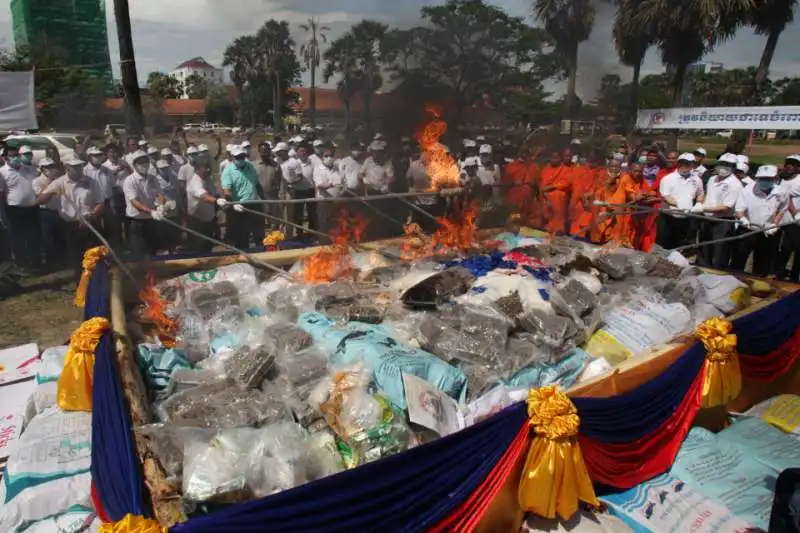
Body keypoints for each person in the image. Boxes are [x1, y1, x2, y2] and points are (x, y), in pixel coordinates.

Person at [36, 156, 104, 276]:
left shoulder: (91, 182)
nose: (78, 169)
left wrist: (93, 214)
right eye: (74, 167)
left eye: (79, 166)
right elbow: (40, 200)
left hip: (89, 223)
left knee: (94, 255)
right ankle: (81, 282)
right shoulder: (59, 182)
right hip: (70, 226)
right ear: (67, 168)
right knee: (77, 257)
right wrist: (51, 192)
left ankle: (96, 280)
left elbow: (100, 202)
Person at [730, 165, 786, 276]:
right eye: (762, 178)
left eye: (768, 179)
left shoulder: (781, 192)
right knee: (738, 261)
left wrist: (775, 224)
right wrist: (742, 218)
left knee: (763, 265)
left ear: (775, 178)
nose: (764, 181)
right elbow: (739, 209)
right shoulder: (747, 190)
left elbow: (781, 210)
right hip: (747, 230)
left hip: (767, 232)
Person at [693, 153, 742, 269]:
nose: (724, 167)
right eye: (722, 164)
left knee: (719, 252)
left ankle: (718, 275)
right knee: (704, 249)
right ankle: (701, 272)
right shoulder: (712, 179)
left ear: (734, 167)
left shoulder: (735, 184)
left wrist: (703, 208)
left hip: (722, 221)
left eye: (728, 165)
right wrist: (700, 204)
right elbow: (708, 195)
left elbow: (726, 207)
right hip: (707, 218)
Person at [1, 144, 41, 270]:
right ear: (5, 158)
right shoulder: (2, 172)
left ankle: (36, 262)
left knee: (33, 236)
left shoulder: (27, 168)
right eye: (12, 156)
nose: (16, 158)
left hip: (32, 208)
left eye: (17, 155)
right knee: (18, 238)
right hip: (14, 210)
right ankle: (22, 263)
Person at [656, 153, 704, 250]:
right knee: (663, 243)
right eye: (682, 163)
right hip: (668, 217)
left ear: (692, 165)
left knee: (679, 244)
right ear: (678, 164)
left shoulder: (696, 179)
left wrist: (698, 203)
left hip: (686, 217)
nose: (684, 166)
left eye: (687, 164)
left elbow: (700, 193)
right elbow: (666, 197)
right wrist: (679, 206)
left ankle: (673, 262)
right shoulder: (668, 178)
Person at [122, 151, 165, 258]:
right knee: (140, 251)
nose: (144, 164)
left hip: (151, 219)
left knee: (152, 249)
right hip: (137, 221)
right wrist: (151, 211)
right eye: (141, 162)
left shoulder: (152, 178)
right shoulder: (129, 181)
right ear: (135, 165)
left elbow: (159, 194)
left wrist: (161, 206)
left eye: (146, 161)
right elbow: (135, 202)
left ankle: (153, 273)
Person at [221, 145, 264, 249]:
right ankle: (243, 258)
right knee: (242, 236)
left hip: (255, 203)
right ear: (233, 157)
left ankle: (261, 254)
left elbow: (257, 184)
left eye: (242, 157)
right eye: (238, 157)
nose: (241, 159)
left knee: (259, 234)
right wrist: (234, 204)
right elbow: (227, 192)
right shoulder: (228, 171)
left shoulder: (250, 166)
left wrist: (263, 199)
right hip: (240, 207)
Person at [592, 159, 637, 245]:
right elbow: (596, 192)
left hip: (618, 210)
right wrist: (608, 183)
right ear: (608, 167)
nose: (614, 169)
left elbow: (629, 190)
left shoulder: (624, 178)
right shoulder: (601, 176)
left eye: (617, 167)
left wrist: (632, 197)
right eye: (612, 166)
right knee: (599, 231)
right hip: (603, 209)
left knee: (615, 233)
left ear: (620, 168)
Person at [32, 158, 65, 269]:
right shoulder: (37, 181)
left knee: (60, 236)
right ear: (42, 169)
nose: (51, 169)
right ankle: (51, 262)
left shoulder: (59, 179)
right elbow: (41, 197)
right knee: (48, 238)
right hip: (46, 212)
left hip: (59, 211)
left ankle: (62, 260)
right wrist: (52, 188)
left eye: (52, 166)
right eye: (48, 167)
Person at [186, 156, 224, 253]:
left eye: (209, 166)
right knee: (198, 250)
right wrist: (216, 201)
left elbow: (215, 193)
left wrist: (223, 204)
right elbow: (205, 196)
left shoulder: (209, 180)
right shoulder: (195, 182)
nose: (208, 169)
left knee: (207, 248)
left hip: (209, 221)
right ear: (198, 168)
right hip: (197, 223)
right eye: (205, 167)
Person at [276, 142, 313, 237]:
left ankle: (289, 236)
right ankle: (281, 235)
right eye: (277, 152)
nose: (278, 154)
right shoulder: (279, 161)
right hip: (282, 190)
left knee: (289, 215)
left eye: (280, 152)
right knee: (280, 214)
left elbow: (300, 177)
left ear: (285, 152)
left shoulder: (293, 162)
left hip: (291, 191)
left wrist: (290, 184)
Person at [360, 141, 395, 239]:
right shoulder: (368, 161)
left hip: (382, 193)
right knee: (369, 217)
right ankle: (369, 237)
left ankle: (381, 237)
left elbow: (391, 177)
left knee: (382, 217)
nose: (377, 153)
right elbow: (360, 174)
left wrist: (387, 185)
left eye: (379, 151)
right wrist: (364, 179)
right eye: (375, 151)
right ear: (372, 152)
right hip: (370, 193)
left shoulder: (387, 162)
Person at [777, 154, 800, 280]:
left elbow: (788, 197)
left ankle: (794, 276)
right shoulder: (780, 179)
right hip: (778, 220)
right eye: (788, 163)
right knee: (779, 248)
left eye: (794, 164)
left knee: (791, 248)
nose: (790, 167)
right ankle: (777, 271)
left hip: (794, 222)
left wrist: (796, 212)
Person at [313, 147, 345, 233]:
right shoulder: (318, 169)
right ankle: (323, 242)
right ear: (322, 157)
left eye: (331, 155)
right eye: (326, 156)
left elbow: (342, 182)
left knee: (336, 224)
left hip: (336, 202)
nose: (329, 158)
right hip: (324, 202)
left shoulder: (337, 169)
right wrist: (332, 184)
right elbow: (319, 185)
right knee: (324, 224)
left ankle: (336, 243)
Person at [540, 150, 571, 234]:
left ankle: (558, 228)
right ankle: (547, 226)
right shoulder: (546, 169)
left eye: (556, 158)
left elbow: (566, 183)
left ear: (560, 159)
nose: (554, 160)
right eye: (552, 158)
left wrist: (551, 187)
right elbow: (542, 184)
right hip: (545, 194)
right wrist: (545, 192)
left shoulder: (566, 169)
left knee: (558, 195)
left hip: (559, 193)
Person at [254, 141, 282, 230]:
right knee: (259, 221)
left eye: (266, 150)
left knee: (274, 222)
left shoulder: (276, 165)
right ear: (258, 151)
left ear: (269, 151)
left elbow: (279, 180)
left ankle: (274, 241)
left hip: (272, 197)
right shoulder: (254, 165)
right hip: (259, 197)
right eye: (262, 150)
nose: (264, 152)